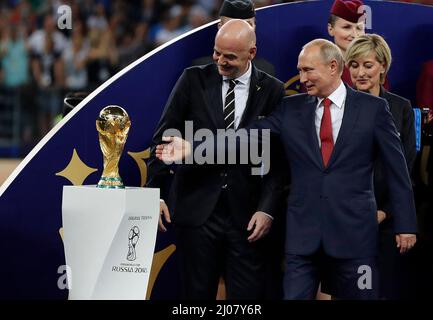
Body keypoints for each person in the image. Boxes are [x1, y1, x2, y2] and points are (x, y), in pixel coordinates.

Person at [157, 38, 418, 300]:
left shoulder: (374, 109)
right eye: (300, 70)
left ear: (333, 66)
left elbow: (398, 170)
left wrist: (406, 224)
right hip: (302, 239)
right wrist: (195, 148)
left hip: (355, 236)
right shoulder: (291, 109)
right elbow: (249, 136)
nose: (302, 78)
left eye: (308, 70)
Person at [147, 19, 286, 299]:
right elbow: (164, 140)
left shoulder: (273, 90)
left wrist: (267, 208)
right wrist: (156, 193)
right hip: (196, 212)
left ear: (252, 53)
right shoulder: (192, 79)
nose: (221, 61)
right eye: (217, 53)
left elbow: (277, 157)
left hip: (247, 217)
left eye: (230, 57)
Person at [345, 34, 416, 299]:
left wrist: (385, 211)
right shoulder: (338, 107)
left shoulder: (401, 108)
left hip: (389, 218)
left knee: (387, 289)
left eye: (368, 65)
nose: (360, 73)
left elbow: (406, 167)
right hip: (347, 216)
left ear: (383, 66)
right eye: (354, 65)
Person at [192, 0, 275, 76]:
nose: (240, 33)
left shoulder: (266, 70)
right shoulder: (200, 70)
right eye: (232, 25)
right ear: (220, 27)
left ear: (254, 28)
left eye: (247, 25)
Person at [327, 0, 390, 89]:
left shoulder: (375, 66)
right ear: (330, 29)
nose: (355, 34)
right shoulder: (321, 65)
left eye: (359, 28)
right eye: (347, 27)